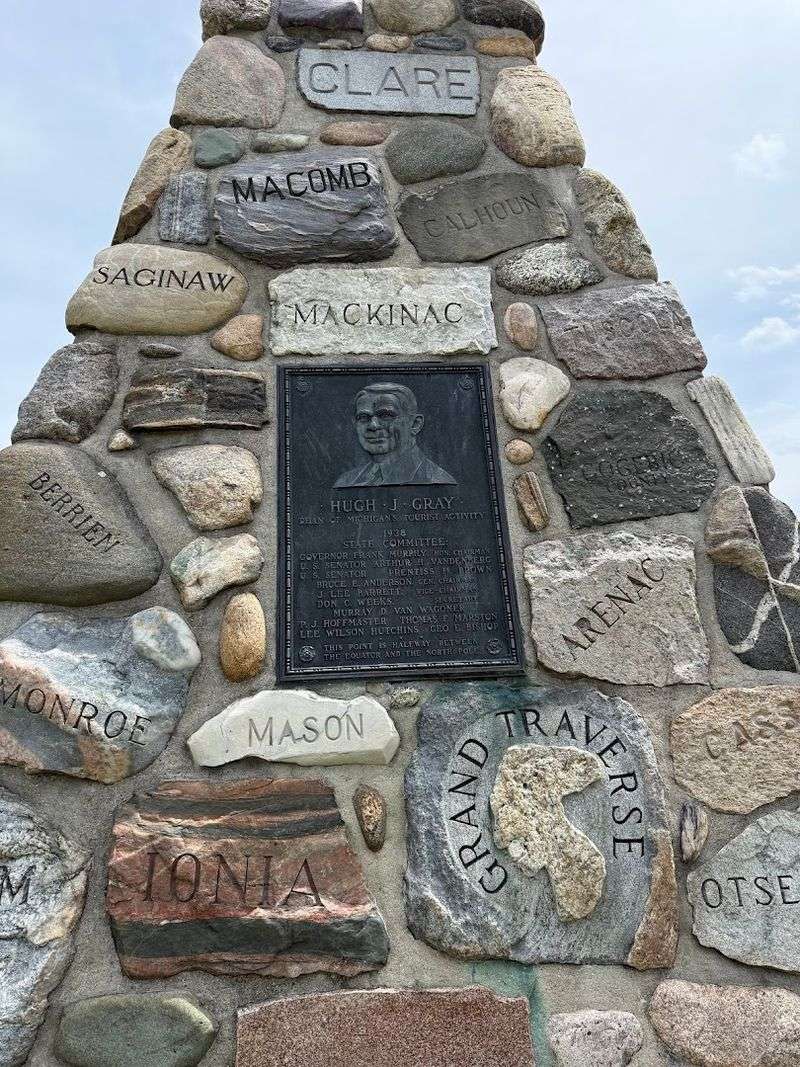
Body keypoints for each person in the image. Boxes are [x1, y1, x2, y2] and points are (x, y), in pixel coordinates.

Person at [334, 382, 457, 488]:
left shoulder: (439, 482)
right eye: (363, 417)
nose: (373, 426)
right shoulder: (346, 482)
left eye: (386, 415)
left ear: (415, 424)